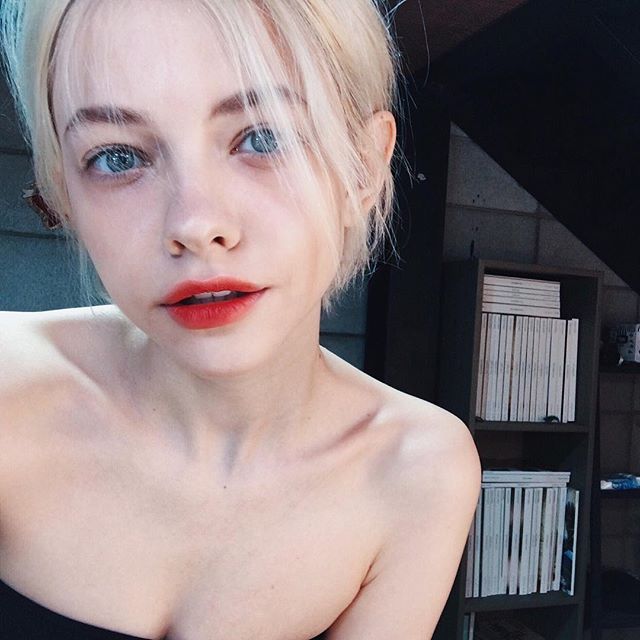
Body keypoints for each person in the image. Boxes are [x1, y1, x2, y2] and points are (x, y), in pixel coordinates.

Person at [0, 1, 481, 638]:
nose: (196, 225)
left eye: (263, 138)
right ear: (64, 189)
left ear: (364, 167)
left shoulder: (418, 469)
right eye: (117, 157)